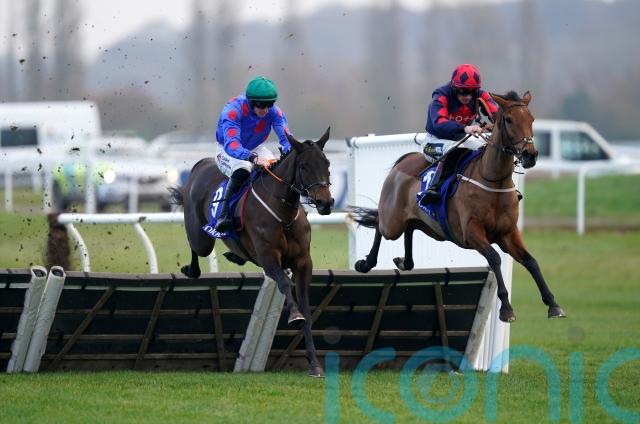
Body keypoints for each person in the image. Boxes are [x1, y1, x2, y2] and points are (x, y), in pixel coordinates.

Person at [214, 76, 292, 233]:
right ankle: (224, 215)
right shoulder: (233, 111)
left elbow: (287, 139)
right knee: (243, 169)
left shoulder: (275, 113)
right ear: (250, 101)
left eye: (270, 104)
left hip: (255, 147)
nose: (265, 109)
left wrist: (290, 153)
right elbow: (232, 145)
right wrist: (253, 158)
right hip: (227, 150)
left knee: (278, 169)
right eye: (260, 104)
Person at [421, 63, 499, 205]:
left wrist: (501, 124)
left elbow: (497, 115)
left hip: (460, 140)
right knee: (453, 150)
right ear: (454, 87)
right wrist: (465, 128)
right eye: (463, 91)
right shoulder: (441, 95)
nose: (467, 97)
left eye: (472, 92)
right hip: (433, 142)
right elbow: (439, 123)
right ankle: (434, 188)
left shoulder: (480, 95)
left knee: (487, 149)